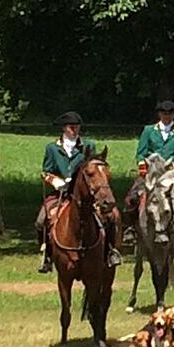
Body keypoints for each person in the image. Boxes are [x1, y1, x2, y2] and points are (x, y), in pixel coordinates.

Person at [36, 111, 122, 272]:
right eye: (71, 127)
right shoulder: (52, 148)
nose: (74, 130)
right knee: (41, 220)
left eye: (77, 127)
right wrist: (56, 181)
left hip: (85, 193)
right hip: (61, 193)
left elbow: (94, 167)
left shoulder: (88, 146)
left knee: (111, 216)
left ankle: (111, 250)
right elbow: (46, 172)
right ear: (64, 128)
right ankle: (47, 256)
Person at [124, 100, 174, 228]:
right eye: (164, 113)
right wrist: (143, 167)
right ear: (159, 114)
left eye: (170, 114)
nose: (166, 116)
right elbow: (141, 153)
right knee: (132, 198)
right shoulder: (148, 131)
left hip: (172, 174)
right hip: (150, 173)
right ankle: (131, 228)